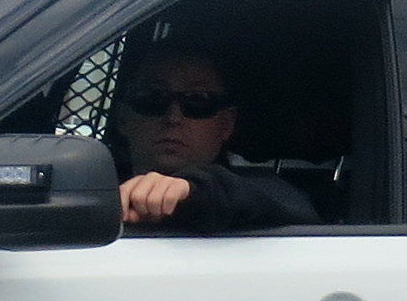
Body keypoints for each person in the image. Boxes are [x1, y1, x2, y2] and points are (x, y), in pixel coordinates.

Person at [109, 42, 319, 233]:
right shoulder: (91, 192)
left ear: (226, 124)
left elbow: (285, 206)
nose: (173, 117)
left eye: (198, 100)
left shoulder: (262, 197)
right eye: (153, 97)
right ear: (122, 118)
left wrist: (191, 191)